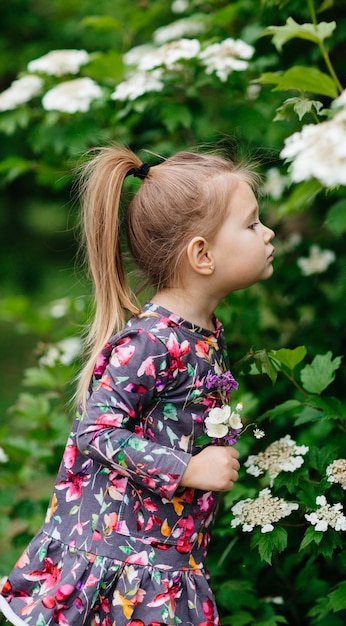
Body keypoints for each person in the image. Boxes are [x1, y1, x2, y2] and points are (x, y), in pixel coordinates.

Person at [0, 145, 275, 626]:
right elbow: (96, 432)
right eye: (251, 224)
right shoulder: (152, 340)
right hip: (122, 567)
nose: (268, 233)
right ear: (202, 254)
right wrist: (188, 467)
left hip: (163, 561)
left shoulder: (201, 331)